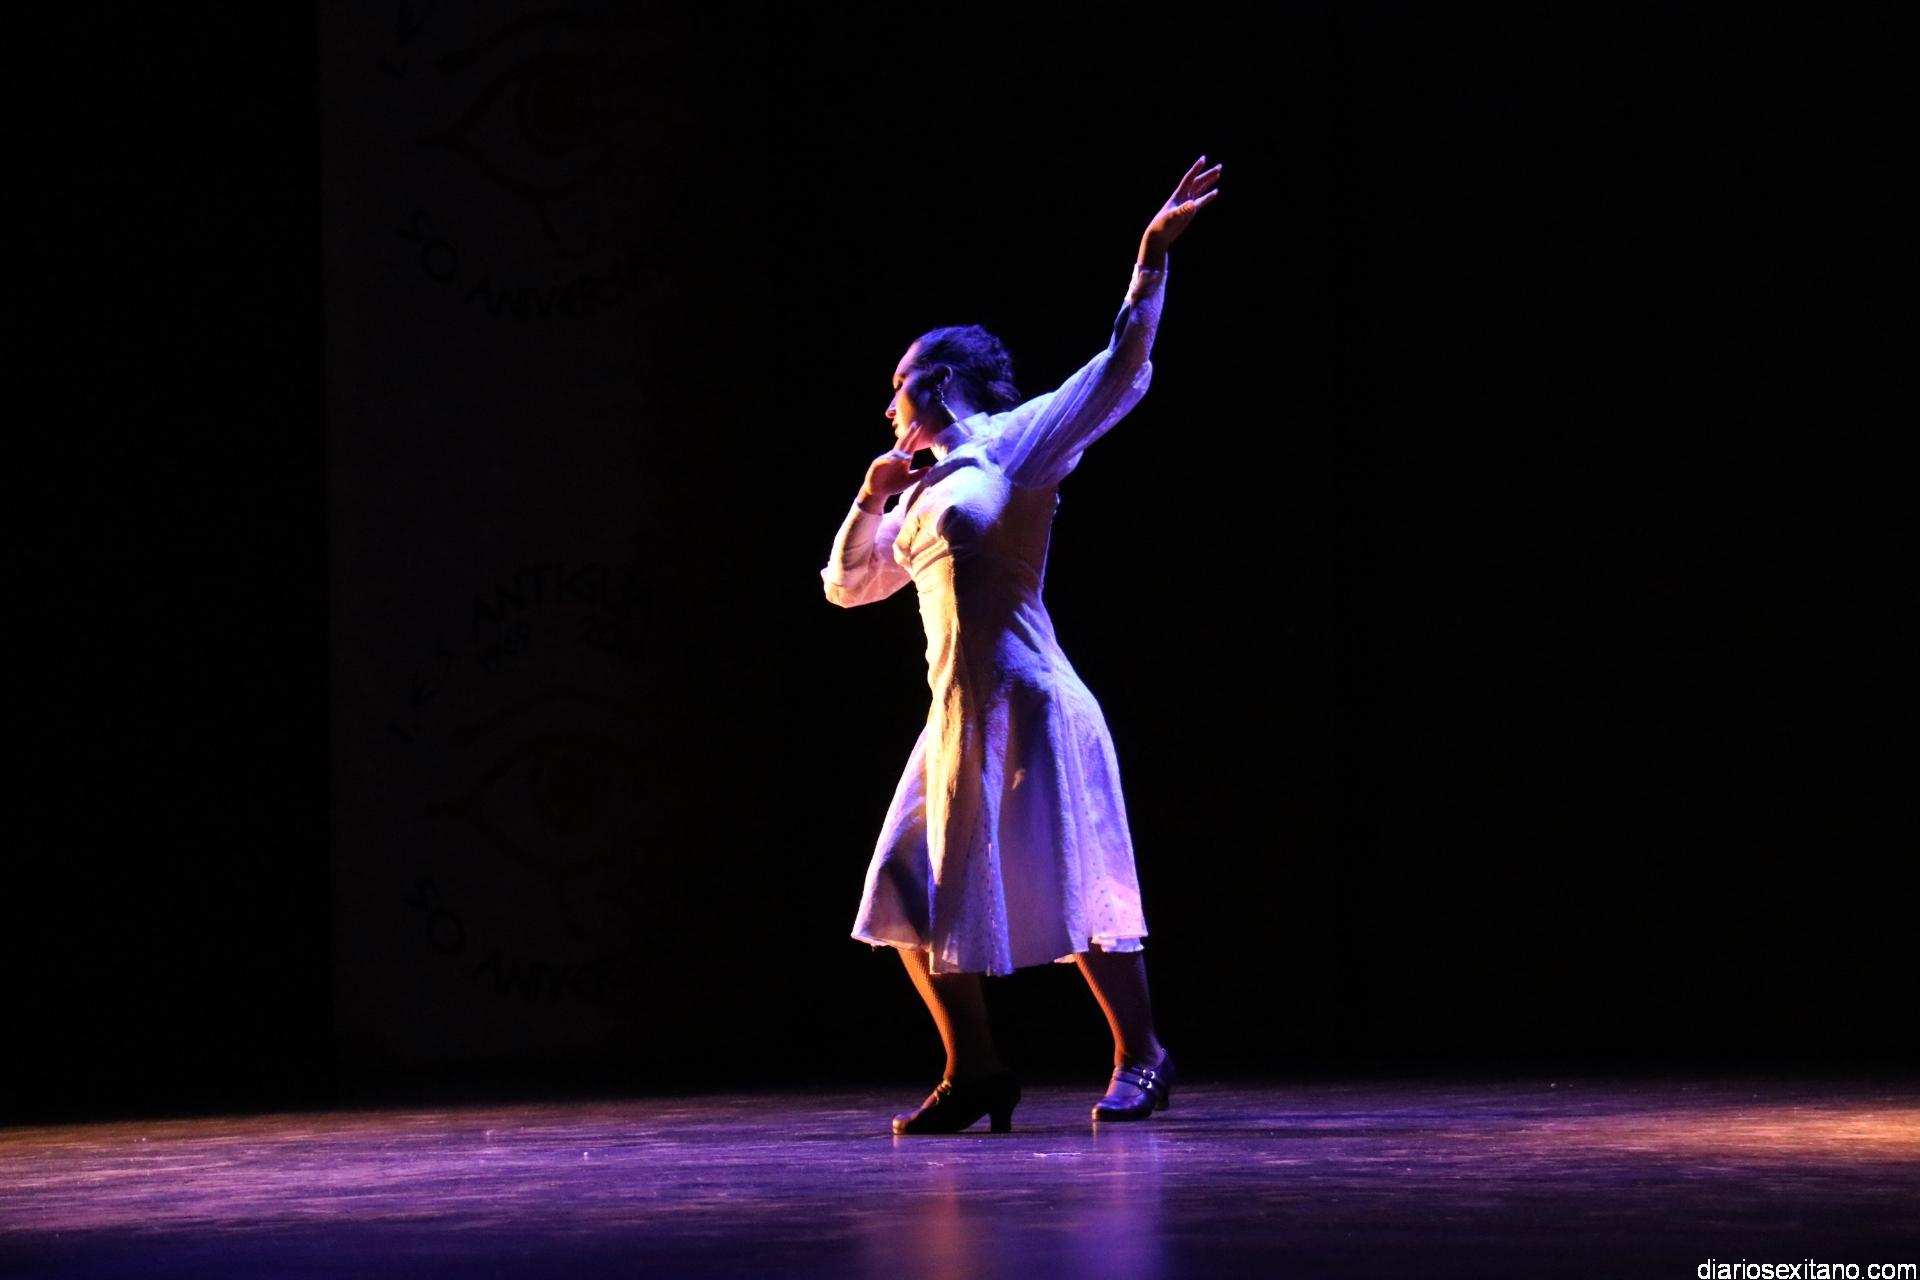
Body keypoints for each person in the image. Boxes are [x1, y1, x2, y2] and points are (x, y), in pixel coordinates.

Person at [821, 156, 1222, 1133]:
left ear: (938, 383)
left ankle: (1143, 1054)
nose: (888, 406)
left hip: (1031, 700)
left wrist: (1150, 259)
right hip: (954, 720)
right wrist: (870, 495)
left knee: (1072, 880)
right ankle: (977, 1070)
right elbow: (846, 583)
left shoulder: (1012, 444)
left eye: (897, 387)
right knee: (903, 888)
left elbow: (1117, 367)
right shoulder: (918, 493)